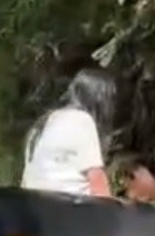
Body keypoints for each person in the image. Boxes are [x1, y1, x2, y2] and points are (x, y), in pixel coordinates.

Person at [21, 67, 116, 197]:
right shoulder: (83, 121)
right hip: (70, 209)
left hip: (35, 207)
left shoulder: (42, 123)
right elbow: (97, 181)